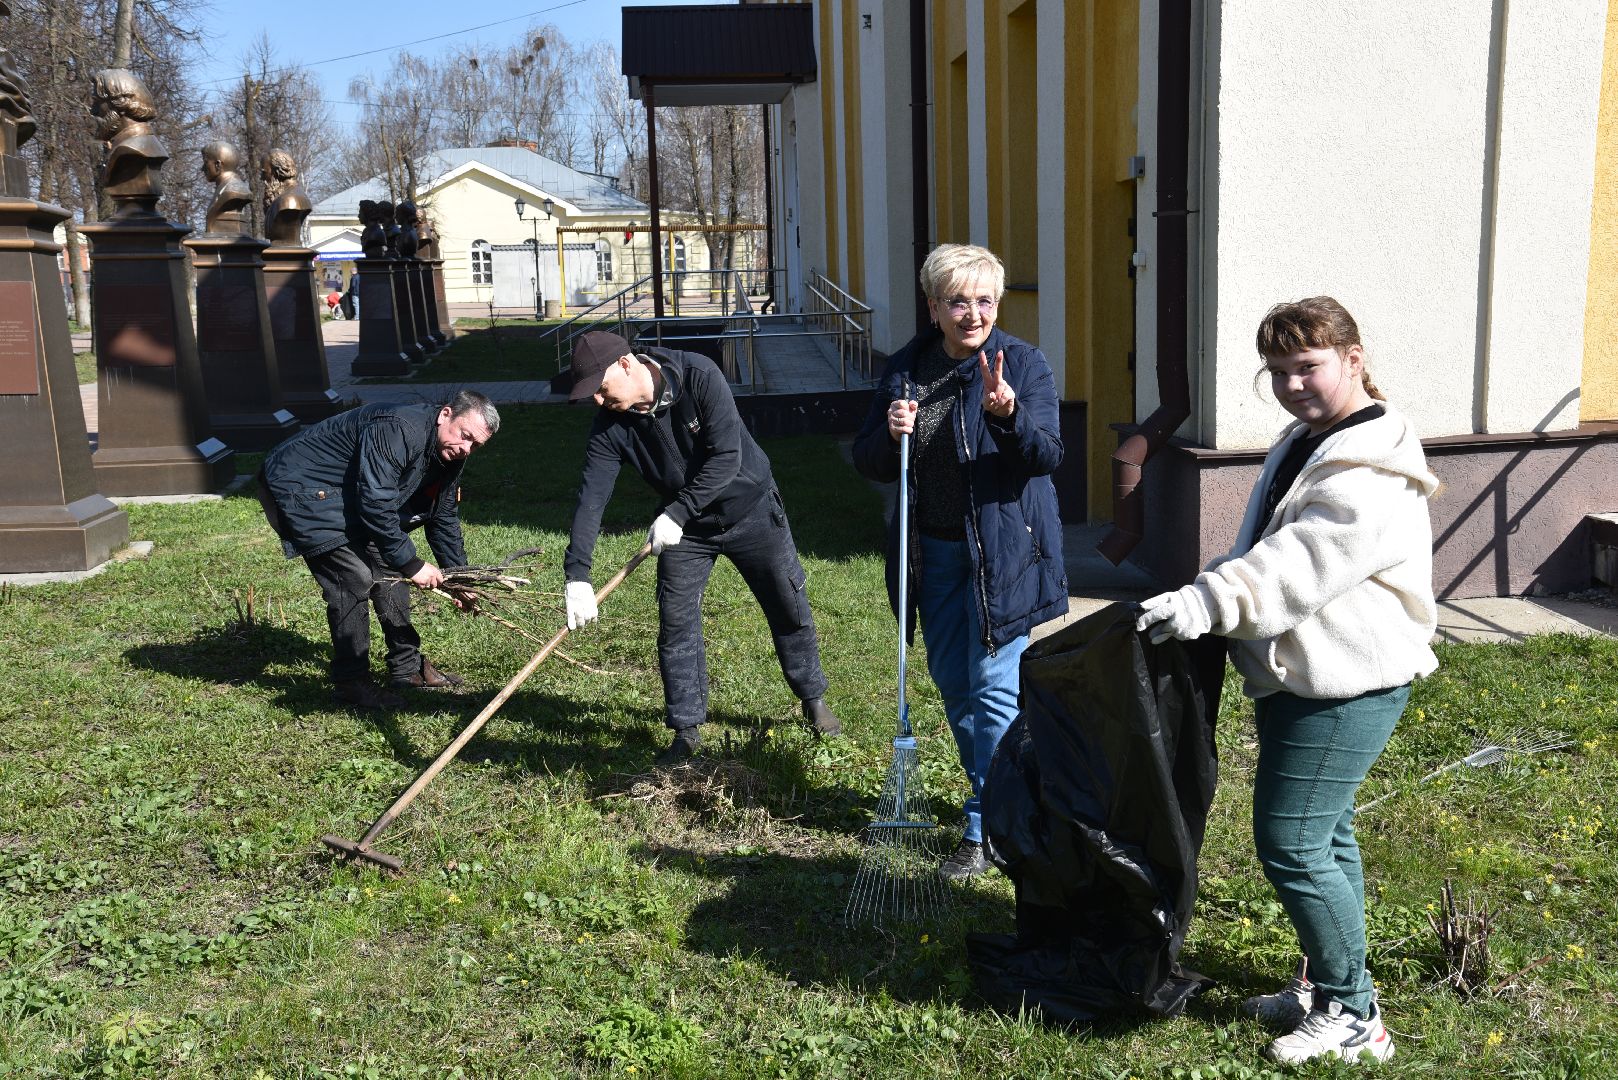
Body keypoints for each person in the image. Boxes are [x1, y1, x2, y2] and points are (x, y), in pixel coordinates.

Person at [1134, 297, 1437, 1065]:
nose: (1293, 384)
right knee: (1326, 834)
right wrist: (1216, 589)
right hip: (1306, 673)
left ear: (1353, 358)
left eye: (1309, 367)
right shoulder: (1310, 438)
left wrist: (1210, 601)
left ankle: (1355, 1015)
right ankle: (1325, 982)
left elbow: (1298, 562)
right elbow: (1263, 537)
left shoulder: (1369, 468)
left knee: (1292, 841)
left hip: (1345, 683)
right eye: (1278, 371)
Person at [851, 243, 1067, 881]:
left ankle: (987, 828)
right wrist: (890, 436)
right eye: (958, 301)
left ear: (997, 305)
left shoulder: (1022, 365)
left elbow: (1048, 455)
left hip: (1000, 557)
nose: (973, 314)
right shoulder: (907, 370)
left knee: (995, 692)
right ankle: (1013, 797)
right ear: (934, 307)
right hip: (932, 557)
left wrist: (1007, 414)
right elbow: (868, 461)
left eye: (985, 301)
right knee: (956, 690)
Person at [562, 330, 840, 765]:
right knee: (676, 624)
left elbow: (726, 456)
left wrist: (677, 512)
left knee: (787, 603)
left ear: (626, 365)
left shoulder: (697, 374)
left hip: (750, 508)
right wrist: (577, 574)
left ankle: (813, 696)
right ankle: (686, 730)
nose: (597, 401)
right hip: (686, 531)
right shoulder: (611, 425)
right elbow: (591, 496)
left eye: (599, 389)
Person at [258, 390, 500, 709]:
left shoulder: (448, 453)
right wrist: (412, 563)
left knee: (389, 571)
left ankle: (407, 668)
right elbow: (375, 502)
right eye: (465, 436)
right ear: (445, 415)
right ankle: (351, 683)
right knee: (353, 579)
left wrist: (459, 579)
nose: (466, 449)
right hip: (299, 486)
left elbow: (441, 514)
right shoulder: (399, 428)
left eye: (475, 445)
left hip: (344, 494)